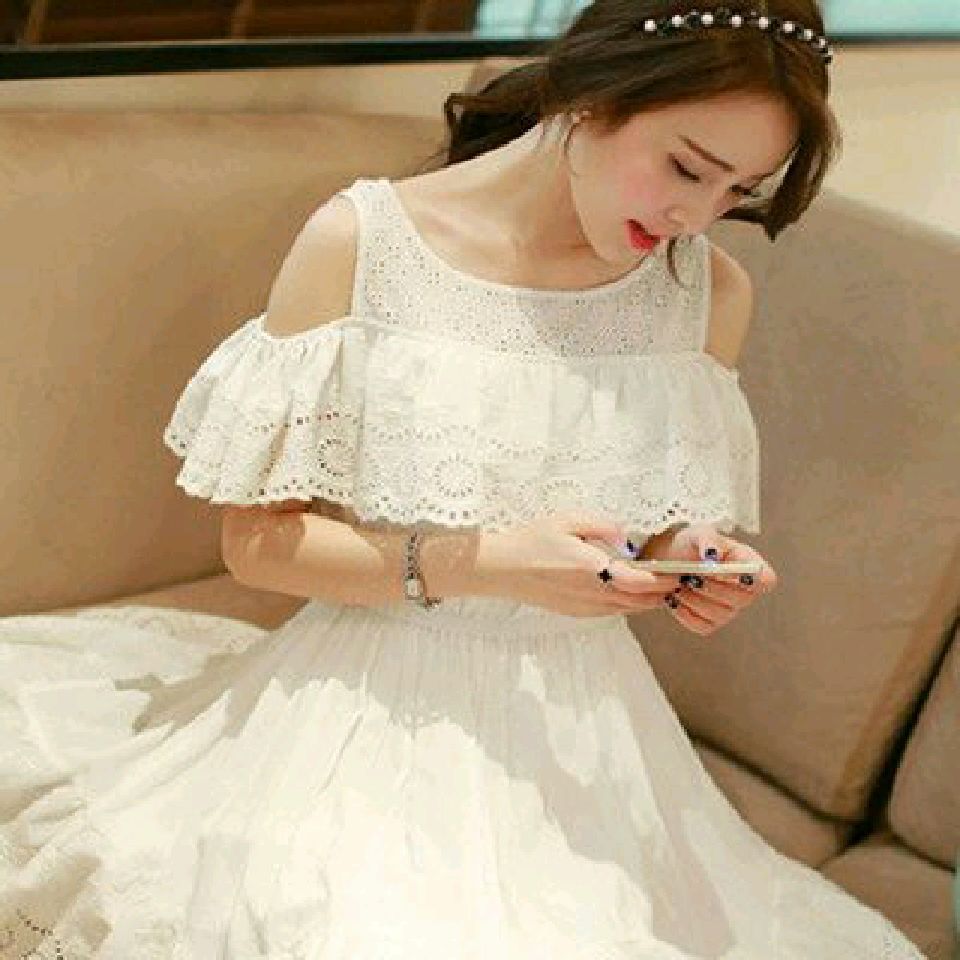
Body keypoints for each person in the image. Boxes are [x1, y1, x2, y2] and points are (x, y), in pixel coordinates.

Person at [0, 1, 928, 957]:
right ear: (591, 96)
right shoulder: (364, 243)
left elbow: (651, 526)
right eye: (688, 168)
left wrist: (686, 559)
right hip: (362, 705)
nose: (697, 216)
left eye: (739, 189)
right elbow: (258, 545)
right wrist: (485, 564)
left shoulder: (706, 292)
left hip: (581, 734)